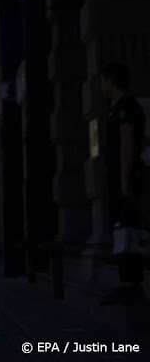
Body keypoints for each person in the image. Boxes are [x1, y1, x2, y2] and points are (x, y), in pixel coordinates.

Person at [99, 63, 147, 306]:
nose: (101, 85)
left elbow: (127, 144)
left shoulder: (126, 108)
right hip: (120, 177)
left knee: (127, 228)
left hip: (126, 177)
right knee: (122, 228)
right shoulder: (115, 109)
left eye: (103, 80)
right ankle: (128, 281)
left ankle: (131, 283)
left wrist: (125, 179)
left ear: (112, 81)